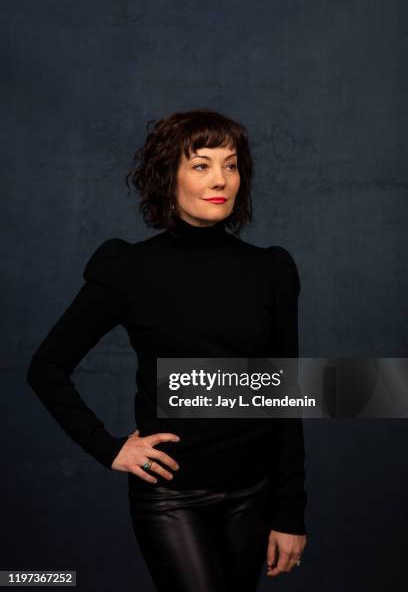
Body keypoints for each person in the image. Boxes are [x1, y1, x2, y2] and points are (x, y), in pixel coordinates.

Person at [26, 108, 308, 591]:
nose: (220, 178)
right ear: (168, 176)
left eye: (231, 164)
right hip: (173, 496)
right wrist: (109, 448)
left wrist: (290, 513)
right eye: (200, 164)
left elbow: (283, 396)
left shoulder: (272, 271)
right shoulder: (128, 269)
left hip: (254, 492)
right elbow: (47, 367)